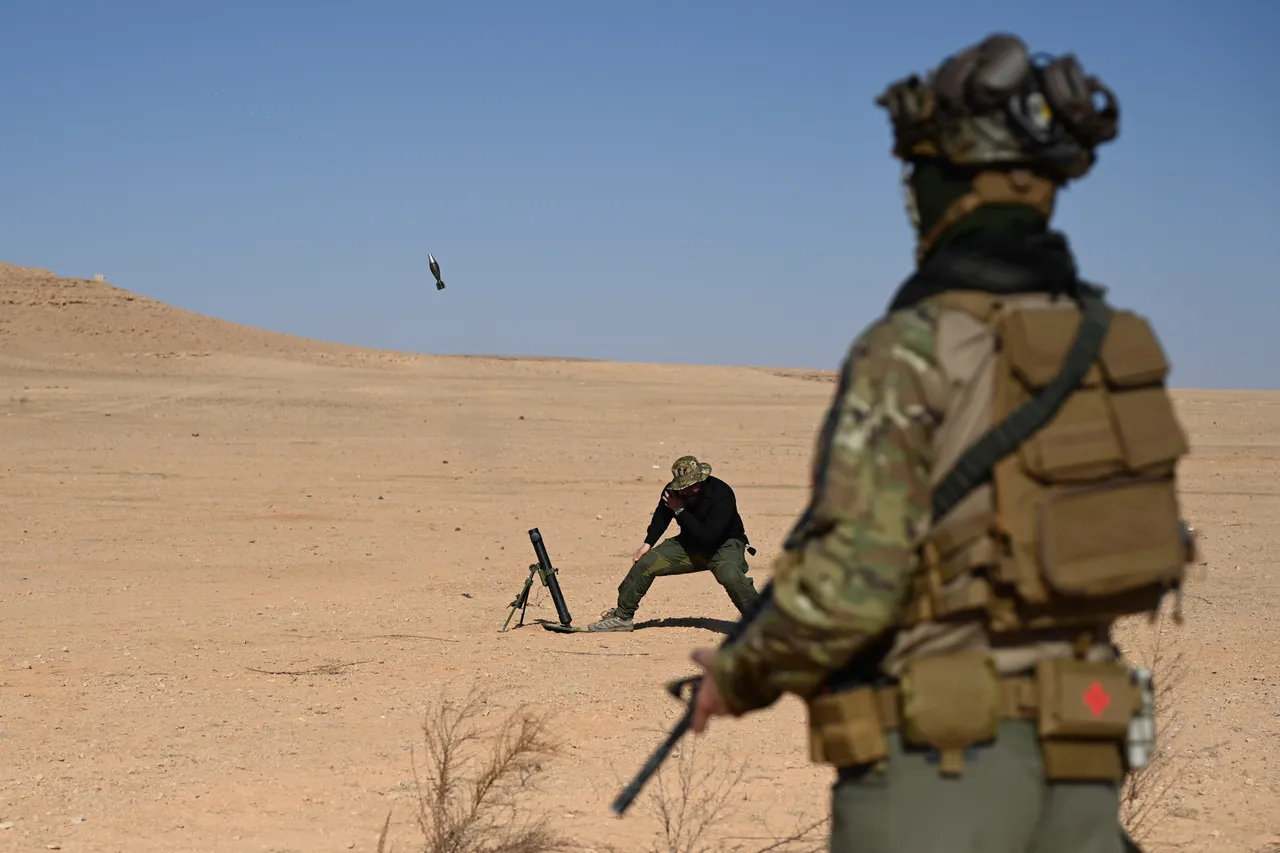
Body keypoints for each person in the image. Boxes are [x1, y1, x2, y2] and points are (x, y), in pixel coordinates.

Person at [680, 33, 1195, 853]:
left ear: (950, 182)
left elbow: (850, 584)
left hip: (939, 777)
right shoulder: (1110, 345)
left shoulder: (911, 349)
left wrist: (738, 675)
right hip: (1085, 757)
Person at [588, 455, 761, 632]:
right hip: (689, 544)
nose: (687, 490)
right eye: (684, 487)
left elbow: (709, 536)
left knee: (731, 575)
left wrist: (679, 509)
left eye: (692, 486)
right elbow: (661, 517)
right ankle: (622, 617)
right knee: (646, 563)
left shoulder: (721, 493)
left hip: (725, 545)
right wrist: (647, 544)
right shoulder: (673, 492)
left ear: (701, 479)